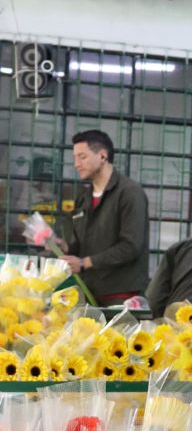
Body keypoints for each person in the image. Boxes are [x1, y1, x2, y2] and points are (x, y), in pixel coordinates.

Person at [55, 130, 150, 305]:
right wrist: (61, 246)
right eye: (75, 158)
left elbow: (131, 246)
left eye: (82, 157)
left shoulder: (130, 193)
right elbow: (79, 246)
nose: (76, 164)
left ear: (103, 156)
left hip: (122, 296)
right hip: (87, 293)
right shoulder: (83, 198)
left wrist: (85, 262)